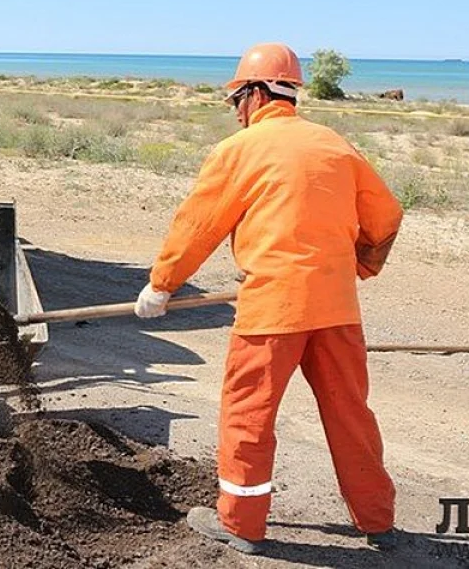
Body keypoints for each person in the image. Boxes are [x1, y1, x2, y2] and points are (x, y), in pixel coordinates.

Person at [135, 42, 403, 555]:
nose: (236, 111)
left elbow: (198, 226)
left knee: (248, 415)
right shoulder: (335, 146)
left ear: (256, 94)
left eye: (237, 99)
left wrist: (162, 285)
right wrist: (358, 265)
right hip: (338, 311)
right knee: (351, 415)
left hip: (272, 312)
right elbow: (386, 216)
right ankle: (378, 520)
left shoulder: (240, 151)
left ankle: (240, 522)